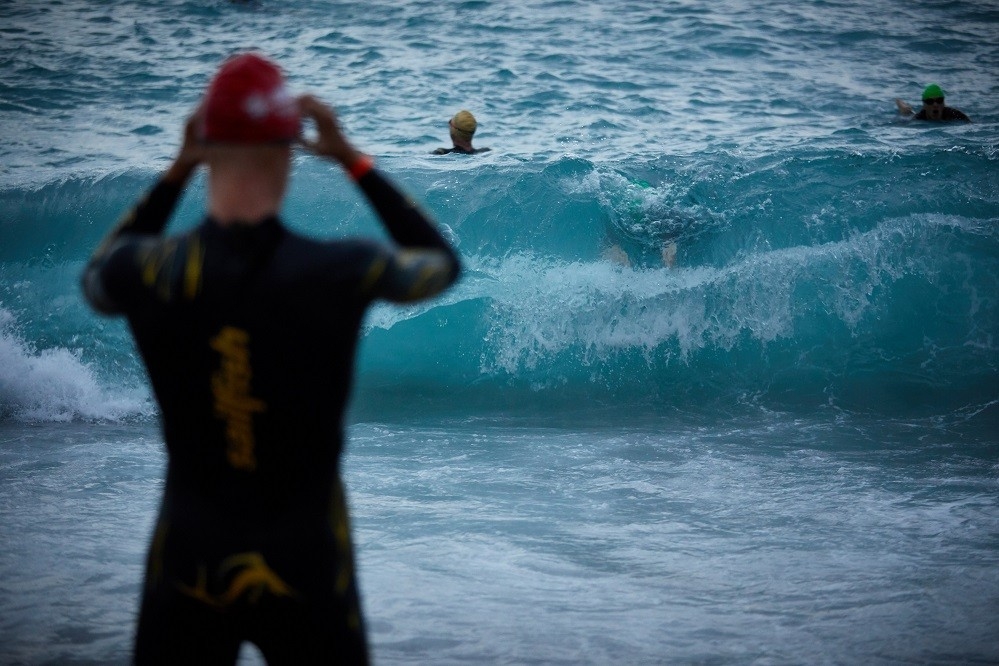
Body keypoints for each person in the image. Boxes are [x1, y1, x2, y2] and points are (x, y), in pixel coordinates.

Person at [80, 52, 461, 664]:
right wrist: (352, 159)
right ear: (291, 148)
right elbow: (442, 265)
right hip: (308, 564)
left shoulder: (149, 271)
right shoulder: (339, 269)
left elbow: (96, 279)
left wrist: (177, 169)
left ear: (205, 146)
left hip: (190, 559)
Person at [895, 83, 971, 122]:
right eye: (930, 101)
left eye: (939, 101)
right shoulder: (918, 118)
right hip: (913, 115)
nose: (935, 105)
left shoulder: (954, 114)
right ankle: (901, 104)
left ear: (943, 103)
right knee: (907, 113)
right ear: (924, 105)